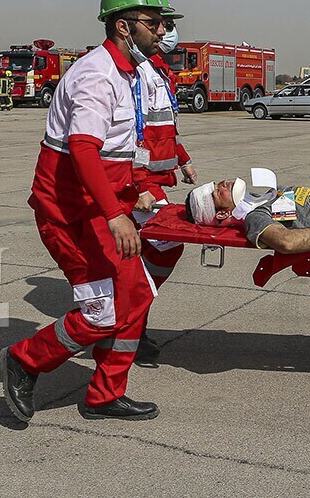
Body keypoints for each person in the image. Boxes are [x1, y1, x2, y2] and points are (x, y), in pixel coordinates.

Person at [0, 0, 182, 423]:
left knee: (135, 293)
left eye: (162, 24)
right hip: (69, 214)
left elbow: (122, 148)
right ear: (124, 26)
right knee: (101, 314)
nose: (162, 32)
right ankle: (25, 359)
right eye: (154, 23)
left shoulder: (130, 73)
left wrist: (135, 189)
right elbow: (82, 149)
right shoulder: (96, 75)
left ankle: (104, 394)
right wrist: (114, 214)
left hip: (102, 206)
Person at [137, 18, 199, 365]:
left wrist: (183, 160)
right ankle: (130, 324)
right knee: (166, 244)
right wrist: (137, 182)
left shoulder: (161, 72)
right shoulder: (142, 72)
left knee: (157, 251)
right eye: (161, 24)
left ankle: (134, 322)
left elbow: (166, 129)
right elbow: (129, 130)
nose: (167, 31)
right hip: (142, 180)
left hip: (158, 179)